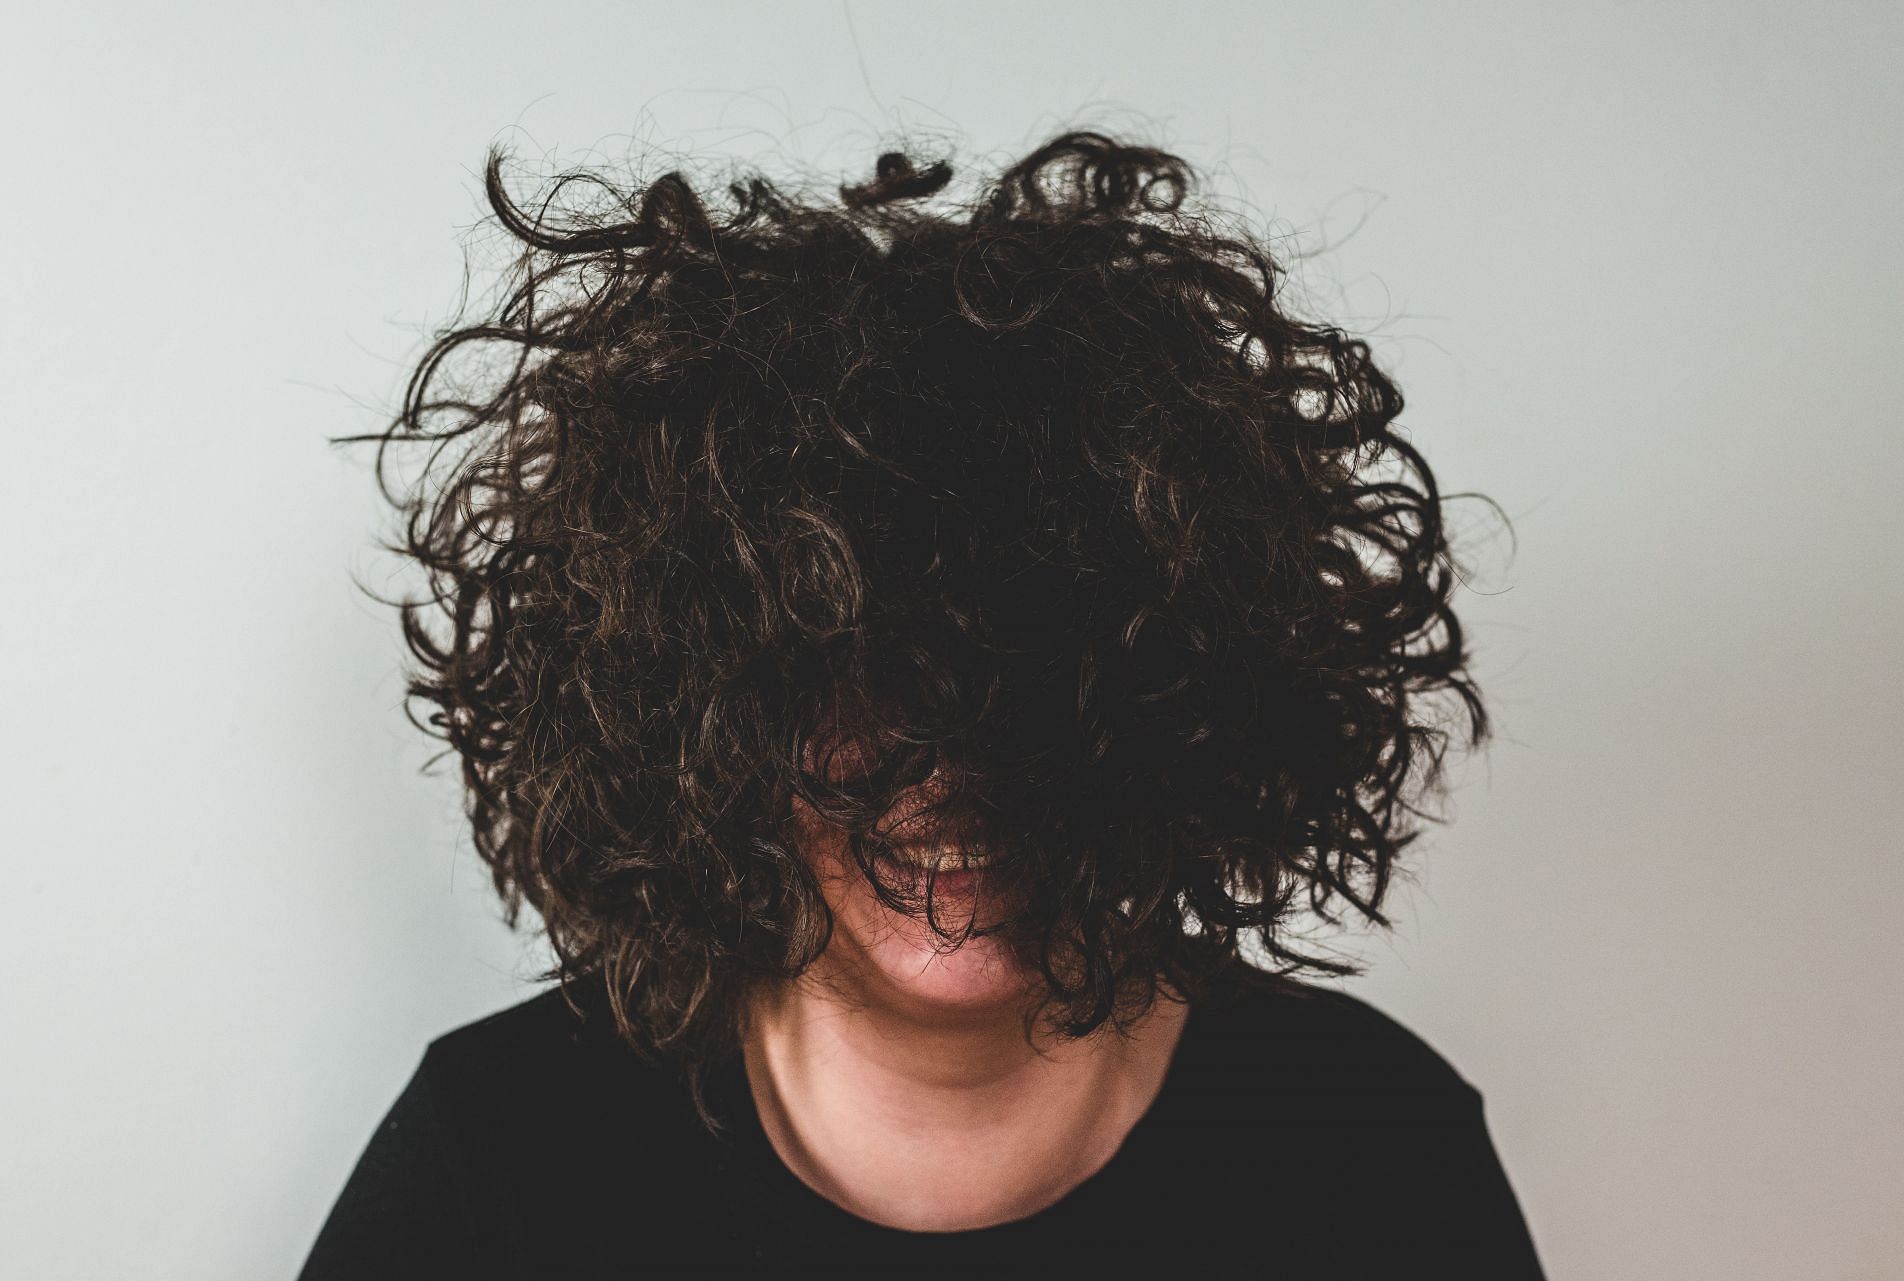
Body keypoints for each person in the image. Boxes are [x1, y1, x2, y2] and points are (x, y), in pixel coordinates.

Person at [300, 127, 1546, 1278]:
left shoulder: (1371, 1150)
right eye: (856, 667)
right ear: (702, 716)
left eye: (1029, 659)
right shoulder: (504, 1154)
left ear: (1168, 688)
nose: (952, 756)